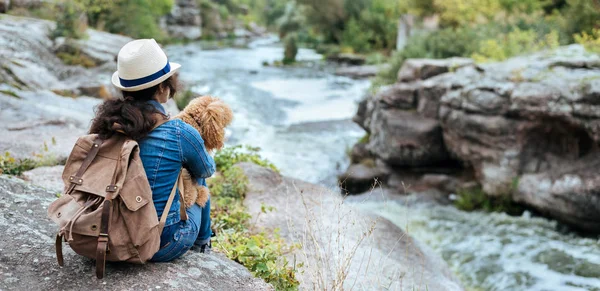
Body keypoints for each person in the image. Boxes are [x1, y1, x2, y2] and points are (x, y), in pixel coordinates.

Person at [88, 39, 215, 262]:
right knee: (197, 175)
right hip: (160, 242)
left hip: (103, 232)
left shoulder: (107, 123)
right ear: (162, 88)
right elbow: (207, 170)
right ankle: (203, 243)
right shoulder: (178, 131)